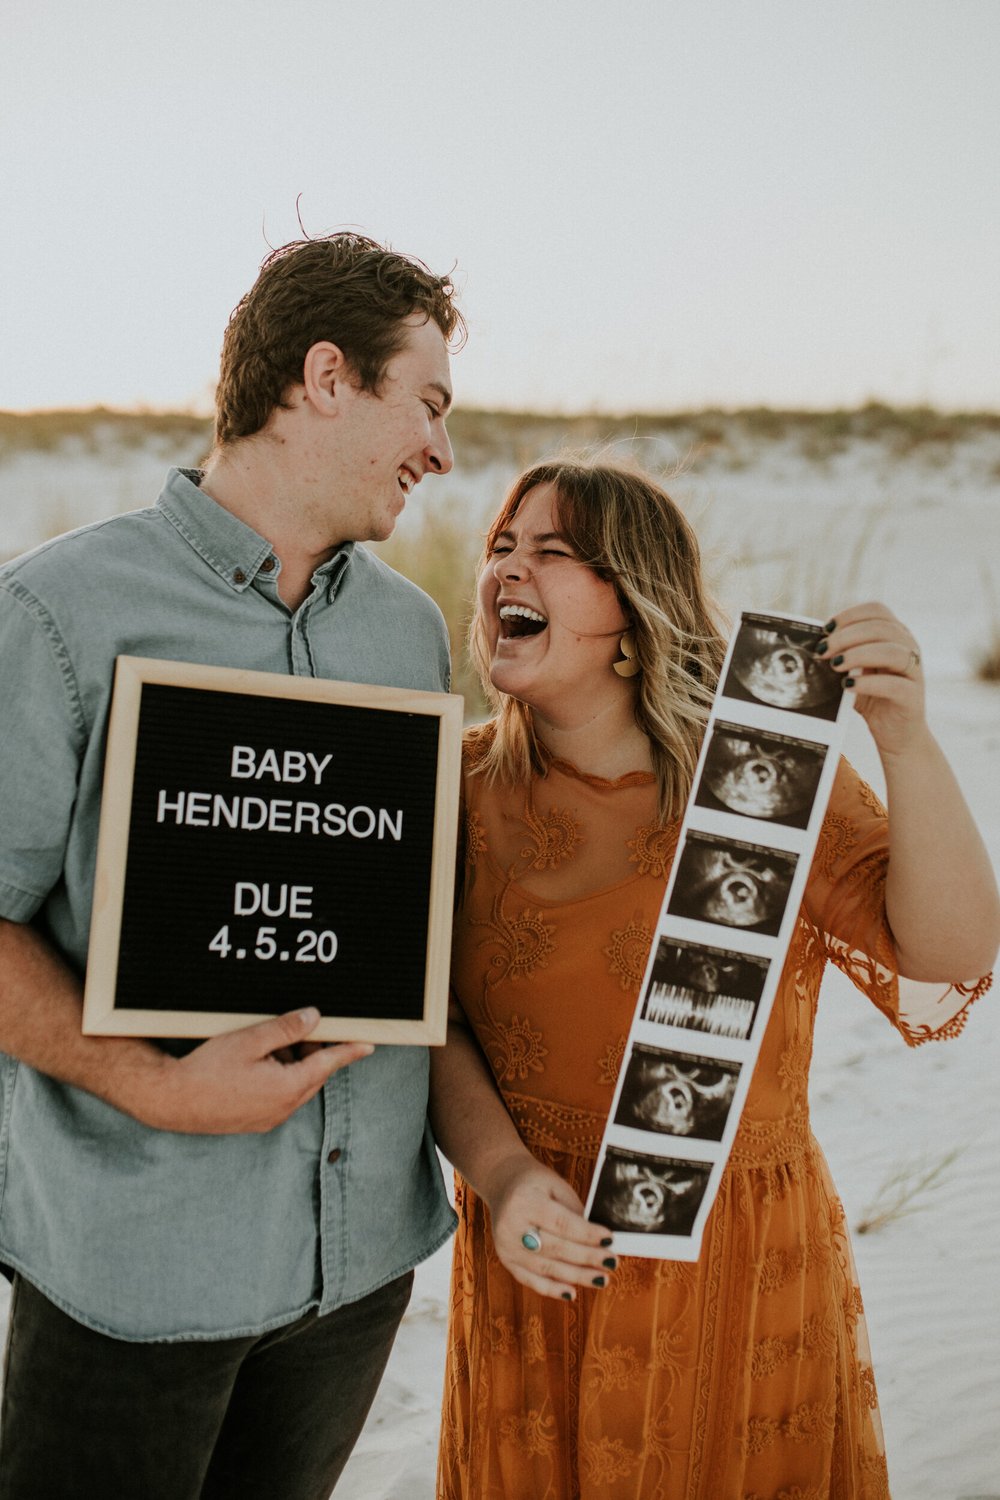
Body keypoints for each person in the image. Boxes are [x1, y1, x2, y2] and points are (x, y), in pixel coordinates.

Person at [429, 459, 999, 1500]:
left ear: (634, 611)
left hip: (739, 1257)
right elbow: (431, 1026)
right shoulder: (452, 786)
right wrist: (501, 1173)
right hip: (540, 1244)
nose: (509, 568)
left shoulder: (761, 781)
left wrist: (904, 740)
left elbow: (950, 955)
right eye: (499, 547)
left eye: (551, 553)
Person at [0, 232, 465, 1499]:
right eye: (425, 403)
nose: (442, 449)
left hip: (358, 1267)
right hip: (138, 1265)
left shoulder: (406, 633)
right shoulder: (59, 613)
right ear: (326, 376)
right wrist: (151, 1087)